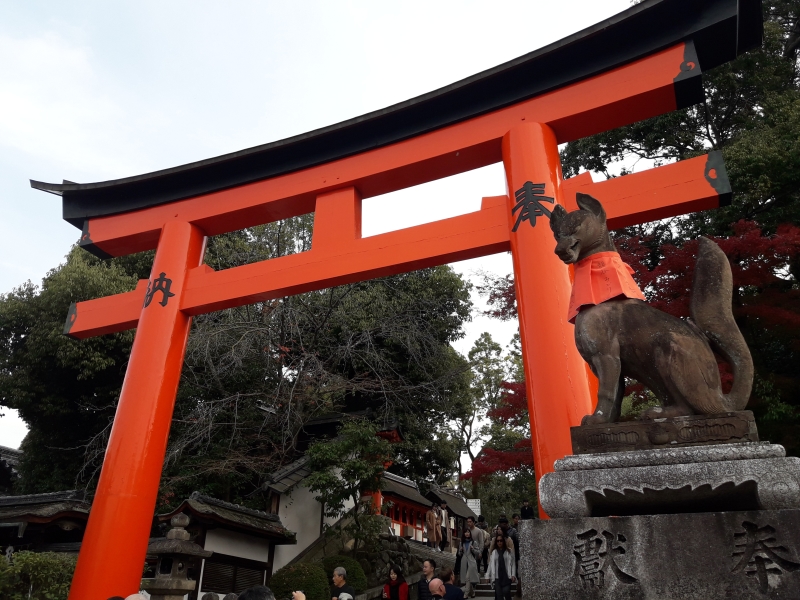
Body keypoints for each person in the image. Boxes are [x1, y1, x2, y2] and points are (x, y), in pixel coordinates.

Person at [486, 534, 516, 600]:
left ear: (503, 541)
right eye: (498, 541)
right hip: (497, 577)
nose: (499, 542)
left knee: (506, 591)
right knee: (499, 595)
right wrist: (487, 575)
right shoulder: (494, 552)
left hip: (506, 576)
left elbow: (513, 563)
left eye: (501, 540)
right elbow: (490, 564)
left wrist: (513, 574)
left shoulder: (509, 551)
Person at [456, 528, 481, 598]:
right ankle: (472, 592)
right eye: (465, 532)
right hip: (464, 561)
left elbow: (477, 552)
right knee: (467, 578)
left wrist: (472, 549)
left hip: (471, 561)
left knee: (467, 577)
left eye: (468, 532)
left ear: (470, 533)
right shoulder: (461, 543)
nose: (467, 533)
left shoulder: (473, 542)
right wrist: (461, 550)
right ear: (464, 534)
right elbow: (459, 554)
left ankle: (466, 594)